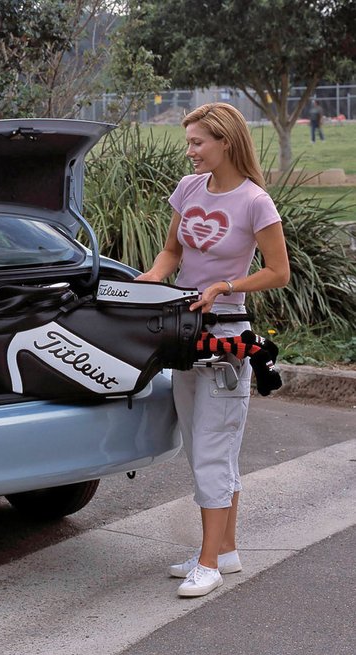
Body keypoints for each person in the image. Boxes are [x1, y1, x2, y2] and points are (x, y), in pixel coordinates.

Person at [135, 102, 290, 598]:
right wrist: (155, 277)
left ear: (226, 142)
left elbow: (278, 271)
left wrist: (226, 285)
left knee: (213, 452)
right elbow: (172, 251)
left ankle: (209, 564)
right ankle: (226, 550)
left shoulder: (254, 202)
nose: (191, 152)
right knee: (208, 448)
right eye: (189, 143)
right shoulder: (189, 189)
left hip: (227, 338)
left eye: (198, 142)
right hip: (183, 335)